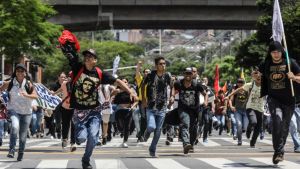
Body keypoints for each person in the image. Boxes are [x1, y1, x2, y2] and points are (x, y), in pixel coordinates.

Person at [62, 47, 138, 169]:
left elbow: (117, 81)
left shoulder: (99, 73)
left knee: (93, 137)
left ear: (95, 60)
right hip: (80, 112)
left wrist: (131, 92)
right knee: (81, 139)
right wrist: (67, 50)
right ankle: (78, 134)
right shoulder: (78, 69)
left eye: (90, 56)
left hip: (94, 111)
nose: (87, 58)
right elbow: (72, 57)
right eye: (86, 56)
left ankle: (86, 160)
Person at [259, 41, 300, 164]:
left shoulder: (290, 62)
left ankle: (279, 150)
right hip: (273, 99)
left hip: (289, 100)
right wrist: (256, 76)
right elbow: (257, 75)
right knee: (277, 122)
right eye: (273, 52)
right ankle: (278, 152)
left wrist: (294, 77)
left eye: (278, 52)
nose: (276, 54)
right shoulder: (266, 64)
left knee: (285, 126)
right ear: (270, 53)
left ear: (282, 52)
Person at [0, 63, 38, 161]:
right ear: (15, 72)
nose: (20, 73)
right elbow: (1, 90)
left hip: (27, 112)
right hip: (14, 110)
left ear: (25, 73)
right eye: (18, 71)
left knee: (22, 136)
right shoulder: (10, 83)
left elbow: (35, 96)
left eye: (22, 71)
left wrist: (26, 95)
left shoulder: (29, 84)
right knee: (14, 126)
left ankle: (21, 152)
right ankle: (11, 150)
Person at [142, 56, 173, 157]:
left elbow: (172, 87)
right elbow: (142, 86)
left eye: (164, 64)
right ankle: (147, 132)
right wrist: (143, 99)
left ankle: (152, 149)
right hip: (151, 106)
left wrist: (172, 96)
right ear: (156, 66)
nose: (163, 65)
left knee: (158, 131)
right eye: (161, 64)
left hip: (162, 107)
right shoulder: (150, 75)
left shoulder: (167, 75)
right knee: (151, 126)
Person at [226, 67, 264, 148]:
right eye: (255, 75)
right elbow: (238, 89)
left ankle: (252, 142)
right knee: (253, 122)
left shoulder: (265, 86)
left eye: (259, 75)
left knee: (258, 127)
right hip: (250, 107)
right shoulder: (250, 85)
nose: (258, 77)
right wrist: (229, 96)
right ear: (253, 77)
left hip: (260, 109)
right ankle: (248, 130)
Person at [173, 68, 206, 154]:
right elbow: (174, 89)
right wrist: (172, 96)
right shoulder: (178, 83)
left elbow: (205, 94)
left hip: (194, 110)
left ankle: (191, 144)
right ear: (184, 74)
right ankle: (186, 144)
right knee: (185, 124)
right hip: (183, 109)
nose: (188, 75)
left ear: (192, 75)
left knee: (193, 128)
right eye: (186, 73)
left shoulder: (196, 84)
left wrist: (205, 102)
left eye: (190, 73)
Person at [113, 78, 138, 148]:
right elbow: (110, 97)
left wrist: (133, 106)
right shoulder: (117, 90)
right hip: (119, 110)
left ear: (128, 83)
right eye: (122, 82)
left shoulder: (131, 90)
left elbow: (136, 100)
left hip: (128, 110)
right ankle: (121, 132)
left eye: (125, 82)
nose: (124, 83)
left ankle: (125, 141)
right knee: (120, 127)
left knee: (127, 127)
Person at [228, 78, 249, 145]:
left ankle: (239, 133)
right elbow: (230, 99)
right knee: (239, 125)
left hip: (246, 111)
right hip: (238, 110)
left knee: (245, 127)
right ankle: (239, 140)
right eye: (239, 82)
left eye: (242, 82)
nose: (240, 84)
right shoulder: (235, 90)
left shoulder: (247, 90)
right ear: (237, 83)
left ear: (244, 83)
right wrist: (231, 106)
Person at [134, 61, 151, 142]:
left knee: (148, 119)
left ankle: (142, 134)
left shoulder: (152, 81)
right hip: (142, 102)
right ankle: (141, 135)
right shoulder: (140, 80)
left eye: (148, 72)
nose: (147, 73)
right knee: (143, 118)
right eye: (146, 72)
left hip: (150, 103)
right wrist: (138, 66)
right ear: (143, 73)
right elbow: (137, 73)